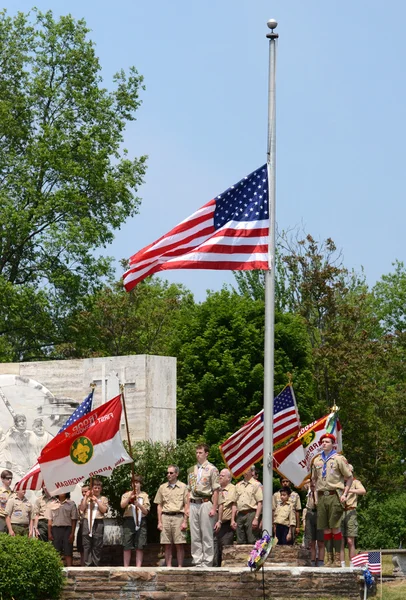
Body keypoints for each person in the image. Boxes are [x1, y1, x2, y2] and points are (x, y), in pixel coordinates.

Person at [311, 433, 353, 568]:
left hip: (335, 495)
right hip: (322, 496)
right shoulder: (316, 460)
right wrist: (316, 498)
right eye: (322, 441)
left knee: (335, 527)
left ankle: (336, 559)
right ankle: (328, 559)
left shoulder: (339, 459)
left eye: (327, 442)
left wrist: (345, 494)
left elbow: (349, 477)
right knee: (325, 529)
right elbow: (314, 480)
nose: (324, 443)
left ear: (333, 444)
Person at [187, 443, 220, 568]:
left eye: (200, 452)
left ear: (206, 454)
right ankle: (197, 560)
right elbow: (189, 490)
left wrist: (214, 508)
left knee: (206, 533)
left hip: (206, 502)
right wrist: (187, 507)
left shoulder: (212, 469)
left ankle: (207, 561)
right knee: (195, 534)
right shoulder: (192, 470)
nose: (198, 455)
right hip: (193, 502)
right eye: (197, 452)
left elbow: (216, 490)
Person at [154, 465, 188, 567]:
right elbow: (159, 505)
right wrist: (159, 521)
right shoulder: (162, 487)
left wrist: (185, 521)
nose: (168, 475)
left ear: (176, 474)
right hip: (165, 516)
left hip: (178, 516)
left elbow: (187, 505)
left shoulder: (183, 487)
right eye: (167, 473)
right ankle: (168, 566)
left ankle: (180, 567)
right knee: (166, 544)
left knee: (179, 544)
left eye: (171, 473)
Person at [121, 475, 150, 567]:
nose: (135, 484)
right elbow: (122, 505)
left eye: (137, 483)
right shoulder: (126, 494)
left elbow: (146, 511)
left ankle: (138, 567)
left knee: (140, 545)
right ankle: (126, 567)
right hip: (129, 520)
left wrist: (139, 505)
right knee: (127, 544)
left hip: (141, 520)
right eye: (133, 483)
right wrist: (129, 497)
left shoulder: (144, 495)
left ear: (140, 484)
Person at [339, 467, 366, 567]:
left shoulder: (355, 482)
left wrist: (349, 491)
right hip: (340, 512)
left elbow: (363, 491)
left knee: (350, 540)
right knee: (340, 540)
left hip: (350, 510)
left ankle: (352, 565)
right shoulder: (340, 482)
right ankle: (342, 565)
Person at [79, 479, 109, 566]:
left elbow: (104, 510)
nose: (96, 489)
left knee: (97, 544)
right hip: (87, 521)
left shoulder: (103, 499)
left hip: (98, 521)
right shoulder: (86, 498)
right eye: (95, 488)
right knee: (87, 544)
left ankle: (96, 564)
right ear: (91, 488)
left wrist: (96, 500)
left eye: (98, 488)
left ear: (101, 489)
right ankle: (87, 564)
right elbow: (82, 509)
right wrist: (86, 497)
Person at [47, 493, 78, 566]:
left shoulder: (71, 504)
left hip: (67, 529)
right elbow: (50, 520)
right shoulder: (52, 504)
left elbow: (74, 519)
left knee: (68, 551)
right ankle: (56, 569)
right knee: (56, 551)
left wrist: (72, 533)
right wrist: (49, 533)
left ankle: (70, 569)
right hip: (56, 529)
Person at [214, 468, 237, 566]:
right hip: (214, 523)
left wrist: (232, 520)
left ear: (228, 478)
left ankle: (226, 566)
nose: (220, 477)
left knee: (226, 546)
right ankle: (215, 566)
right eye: (219, 475)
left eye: (222, 476)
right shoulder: (216, 489)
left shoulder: (232, 488)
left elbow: (233, 505)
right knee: (215, 546)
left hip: (226, 523)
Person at [235, 466, 263, 544]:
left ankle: (253, 556)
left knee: (252, 539)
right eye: (243, 470)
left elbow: (260, 502)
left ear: (252, 472)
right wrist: (233, 519)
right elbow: (234, 503)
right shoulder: (238, 485)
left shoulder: (256, 484)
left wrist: (256, 518)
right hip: (240, 514)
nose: (245, 472)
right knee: (240, 540)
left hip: (251, 513)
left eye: (247, 470)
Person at [303, 481, 325, 567]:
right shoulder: (308, 485)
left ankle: (320, 561)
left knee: (321, 541)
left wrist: (315, 491)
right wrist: (310, 483)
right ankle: (312, 561)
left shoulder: (322, 487)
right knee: (311, 541)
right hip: (310, 512)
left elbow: (317, 503)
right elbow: (298, 485)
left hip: (320, 513)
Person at [76, 484, 89, 566]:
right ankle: (82, 564)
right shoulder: (81, 502)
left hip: (89, 525)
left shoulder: (92, 500)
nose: (84, 493)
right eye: (82, 492)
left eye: (85, 491)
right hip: (82, 524)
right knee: (81, 546)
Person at [0, 469, 13, 534]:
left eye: (11, 478)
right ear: (2, 479)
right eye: (7, 478)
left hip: (11, 519)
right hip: (1, 517)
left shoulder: (13, 493)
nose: (10, 480)